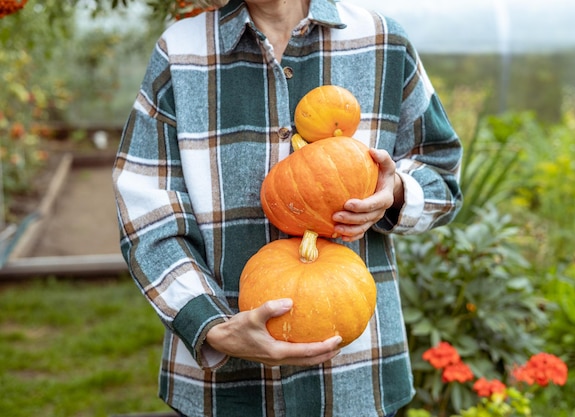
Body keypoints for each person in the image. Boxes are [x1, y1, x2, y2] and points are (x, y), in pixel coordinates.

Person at [112, 0, 463, 416]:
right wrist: (213, 326)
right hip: (224, 387)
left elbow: (441, 174)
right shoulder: (181, 53)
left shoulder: (382, 41)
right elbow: (148, 215)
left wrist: (396, 191)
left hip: (358, 375)